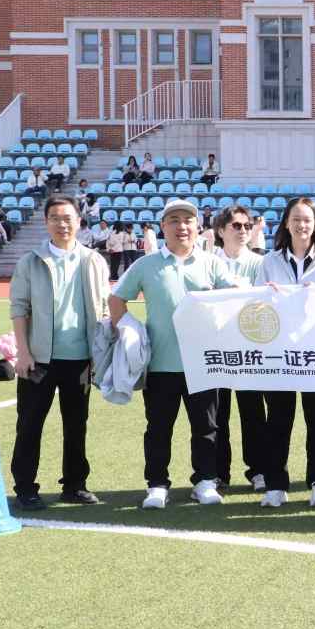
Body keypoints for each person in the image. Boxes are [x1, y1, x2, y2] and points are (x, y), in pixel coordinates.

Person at [110, 199, 241, 508]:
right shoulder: (146, 264)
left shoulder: (212, 263)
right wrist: (130, 332)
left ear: (197, 226)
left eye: (187, 220)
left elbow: (236, 296)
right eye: (174, 220)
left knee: (206, 428)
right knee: (158, 429)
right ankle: (157, 484)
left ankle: (205, 481)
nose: (181, 226)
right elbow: (116, 300)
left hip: (204, 364)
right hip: (160, 364)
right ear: (163, 227)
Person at [8, 195, 111, 509]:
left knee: (77, 425)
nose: (62, 224)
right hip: (38, 360)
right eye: (55, 218)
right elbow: (19, 308)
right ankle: (25, 487)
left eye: (68, 218)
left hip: (80, 359)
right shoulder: (31, 261)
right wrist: (23, 352)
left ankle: (75, 485)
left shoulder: (94, 260)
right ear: (46, 222)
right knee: (29, 424)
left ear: (79, 221)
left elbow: (104, 309)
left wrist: (100, 354)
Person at [254, 197, 315, 507]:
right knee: (278, 421)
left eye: (307, 219)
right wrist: (269, 298)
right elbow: (255, 305)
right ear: (286, 223)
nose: (301, 225)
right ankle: (276, 485)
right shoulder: (269, 261)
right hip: (279, 354)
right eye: (296, 219)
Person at [211, 206, 266, 492]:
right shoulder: (209, 262)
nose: (243, 230)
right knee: (217, 414)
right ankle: (218, 472)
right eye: (236, 225)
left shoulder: (260, 263)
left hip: (250, 348)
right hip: (216, 349)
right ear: (221, 230)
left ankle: (258, 470)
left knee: (253, 413)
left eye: (247, 225)